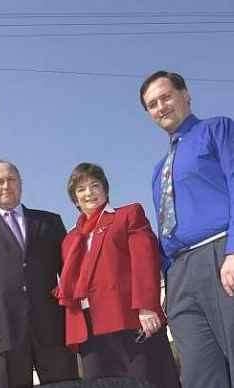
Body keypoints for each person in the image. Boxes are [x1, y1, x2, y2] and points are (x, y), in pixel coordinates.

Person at [140, 70, 234, 388]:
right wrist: (168, 281)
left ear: (185, 95)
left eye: (166, 97)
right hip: (180, 274)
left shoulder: (217, 129)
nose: (161, 107)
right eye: (152, 104)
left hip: (221, 254)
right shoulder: (158, 171)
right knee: (198, 373)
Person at [0, 160, 79, 388]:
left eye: (11, 180)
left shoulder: (50, 222)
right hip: (1, 335)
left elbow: (71, 275)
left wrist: (79, 319)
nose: (6, 186)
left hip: (52, 330)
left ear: (20, 184)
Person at [55, 162, 180, 388]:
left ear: (105, 189)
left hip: (128, 320)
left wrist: (147, 306)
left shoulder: (128, 215)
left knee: (145, 382)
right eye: (81, 189)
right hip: (88, 330)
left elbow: (145, 261)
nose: (89, 193)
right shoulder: (69, 240)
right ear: (74, 198)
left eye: (95, 185)